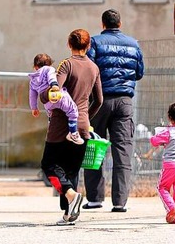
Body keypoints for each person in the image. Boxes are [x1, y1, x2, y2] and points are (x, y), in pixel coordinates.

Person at [83, 8, 145, 213]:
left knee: (94, 146)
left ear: (103, 24)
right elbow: (139, 73)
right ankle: (120, 202)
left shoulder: (95, 42)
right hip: (124, 101)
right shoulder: (134, 43)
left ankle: (94, 199)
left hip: (99, 101)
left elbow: (89, 69)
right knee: (123, 150)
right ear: (120, 24)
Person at [40, 29, 103, 226]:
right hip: (82, 126)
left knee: (48, 165)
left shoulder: (66, 64)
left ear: (69, 44)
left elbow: (54, 92)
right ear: (89, 46)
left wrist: (42, 95)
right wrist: (85, 118)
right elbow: (99, 100)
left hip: (60, 126)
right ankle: (69, 214)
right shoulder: (94, 68)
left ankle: (70, 195)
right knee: (72, 170)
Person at [28, 53, 83, 145]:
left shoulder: (33, 80)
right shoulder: (48, 69)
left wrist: (34, 108)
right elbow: (51, 77)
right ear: (49, 64)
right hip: (57, 96)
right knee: (72, 110)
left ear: (35, 67)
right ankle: (73, 133)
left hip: (48, 103)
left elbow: (32, 95)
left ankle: (50, 125)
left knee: (51, 115)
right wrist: (54, 85)